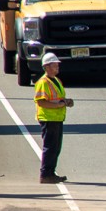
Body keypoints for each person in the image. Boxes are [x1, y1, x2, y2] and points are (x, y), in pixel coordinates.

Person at [34, 51, 72, 184]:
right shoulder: (43, 82)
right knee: (50, 147)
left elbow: (58, 98)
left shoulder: (56, 80)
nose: (57, 67)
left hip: (56, 118)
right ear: (47, 67)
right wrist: (58, 105)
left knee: (56, 147)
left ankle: (51, 172)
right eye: (55, 65)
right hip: (48, 118)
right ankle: (45, 174)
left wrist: (66, 101)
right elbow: (41, 101)